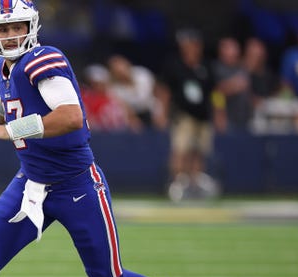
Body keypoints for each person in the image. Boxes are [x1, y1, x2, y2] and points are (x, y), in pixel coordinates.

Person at [0, 1, 204, 277]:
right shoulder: (4, 67)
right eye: (4, 28)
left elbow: (70, 116)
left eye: (18, 27)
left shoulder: (44, 59)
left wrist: (12, 130)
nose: (12, 35)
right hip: (31, 183)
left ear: (31, 27)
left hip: (77, 186)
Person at [160, 28, 218, 202]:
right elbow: (165, 90)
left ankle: (194, 185)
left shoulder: (206, 66)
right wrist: (162, 113)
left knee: (199, 150)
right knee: (181, 150)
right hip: (183, 114)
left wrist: (219, 112)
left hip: (204, 115)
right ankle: (177, 184)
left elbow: (215, 92)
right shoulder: (175, 65)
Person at [107, 54, 169, 131]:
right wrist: (132, 120)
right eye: (118, 71)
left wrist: (162, 114)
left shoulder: (143, 74)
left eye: (123, 68)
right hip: (135, 114)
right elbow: (124, 108)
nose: (122, 73)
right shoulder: (114, 89)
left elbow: (161, 92)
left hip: (153, 109)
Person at [81, 64, 140, 132]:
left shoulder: (113, 96)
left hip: (121, 133)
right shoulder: (85, 99)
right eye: (95, 83)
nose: (99, 86)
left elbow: (130, 116)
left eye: (101, 83)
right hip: (100, 134)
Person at [212, 37, 253, 133]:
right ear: (222, 51)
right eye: (231, 49)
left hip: (244, 118)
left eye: (236, 48)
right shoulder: (217, 69)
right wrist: (219, 115)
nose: (235, 51)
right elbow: (216, 93)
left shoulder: (241, 68)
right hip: (227, 120)